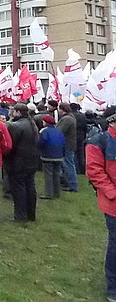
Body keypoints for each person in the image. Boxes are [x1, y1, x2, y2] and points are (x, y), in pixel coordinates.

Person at [86, 107, 116, 302]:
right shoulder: (99, 141)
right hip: (113, 204)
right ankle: (113, 287)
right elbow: (94, 171)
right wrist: (113, 193)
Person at [5, 103, 40, 222]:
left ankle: (20, 215)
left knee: (18, 188)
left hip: (18, 161)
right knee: (30, 186)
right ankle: (31, 214)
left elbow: (11, 145)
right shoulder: (32, 124)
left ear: (18, 112)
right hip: (31, 160)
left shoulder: (16, 126)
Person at [38, 115, 66, 199]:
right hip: (59, 155)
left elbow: (42, 142)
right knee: (56, 174)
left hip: (48, 155)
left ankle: (48, 193)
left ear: (46, 122)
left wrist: (40, 150)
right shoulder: (59, 131)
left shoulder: (44, 131)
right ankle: (57, 192)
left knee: (48, 174)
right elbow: (64, 143)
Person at [57, 102, 78, 192]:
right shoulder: (70, 117)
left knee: (68, 164)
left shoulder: (67, 119)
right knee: (67, 164)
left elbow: (60, 131)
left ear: (62, 109)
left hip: (67, 144)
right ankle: (69, 183)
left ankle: (72, 185)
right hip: (69, 144)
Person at [70, 103, 88, 175]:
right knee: (80, 153)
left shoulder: (70, 116)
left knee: (73, 153)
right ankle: (82, 168)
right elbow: (85, 127)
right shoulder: (82, 116)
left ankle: (76, 168)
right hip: (81, 135)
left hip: (73, 135)